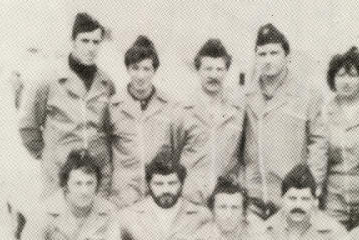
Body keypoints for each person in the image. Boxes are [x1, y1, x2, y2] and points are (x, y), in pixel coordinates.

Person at [19, 13, 115, 197]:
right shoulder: (49, 80)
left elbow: (109, 130)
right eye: (85, 41)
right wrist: (48, 156)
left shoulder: (106, 83)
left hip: (95, 178)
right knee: (58, 214)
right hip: (59, 177)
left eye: (96, 42)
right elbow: (27, 125)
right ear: (73, 41)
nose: (91, 48)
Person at [241, 23, 325, 219]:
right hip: (253, 198)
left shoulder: (307, 95)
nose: (268, 60)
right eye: (262, 54)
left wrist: (312, 186)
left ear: (287, 57)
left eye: (274, 53)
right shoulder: (246, 96)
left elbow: (318, 142)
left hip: (291, 197)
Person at [171, 39, 244, 205]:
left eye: (219, 69)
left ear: (226, 71)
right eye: (208, 69)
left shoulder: (237, 112)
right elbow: (174, 155)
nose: (214, 75)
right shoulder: (183, 110)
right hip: (190, 200)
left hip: (225, 201)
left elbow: (241, 157)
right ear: (198, 70)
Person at [314, 47, 359, 230]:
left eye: (353, 75)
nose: (346, 81)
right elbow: (318, 157)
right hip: (333, 200)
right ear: (332, 79)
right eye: (341, 75)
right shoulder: (324, 113)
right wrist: (315, 191)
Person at [111, 35, 177, 208]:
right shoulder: (113, 106)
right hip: (123, 198)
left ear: (154, 70)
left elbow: (176, 150)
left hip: (157, 196)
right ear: (128, 69)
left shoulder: (169, 106)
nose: (141, 76)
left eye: (147, 69)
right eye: (135, 68)